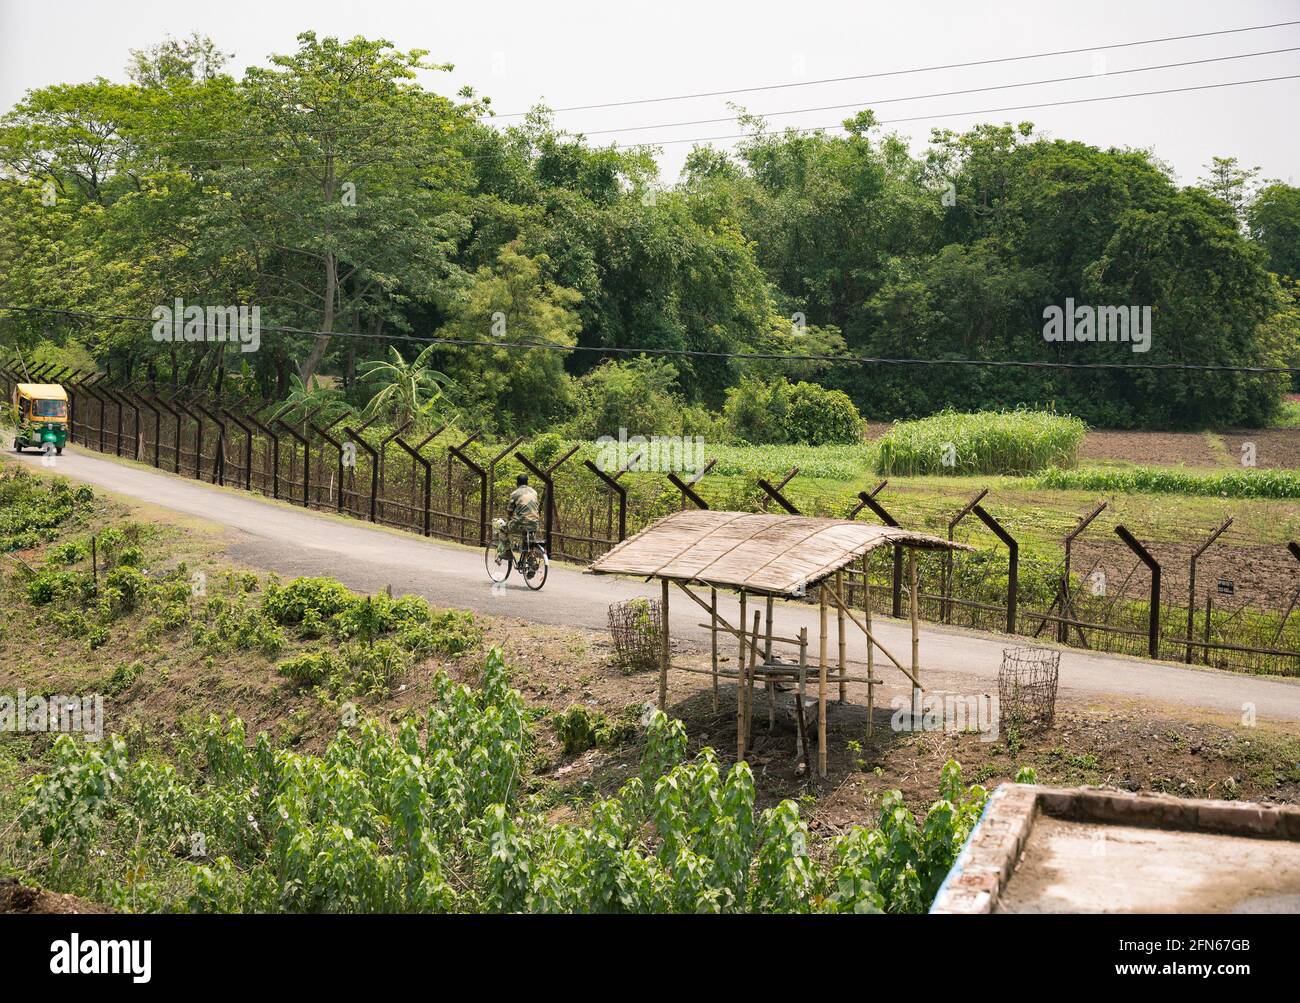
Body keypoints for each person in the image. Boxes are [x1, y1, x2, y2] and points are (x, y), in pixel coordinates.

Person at [499, 474, 541, 556]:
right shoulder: (534, 492)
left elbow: (510, 510)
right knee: (529, 540)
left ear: (517, 483)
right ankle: (530, 559)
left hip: (520, 523)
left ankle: (507, 552)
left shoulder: (515, 493)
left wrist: (509, 519)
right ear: (527, 482)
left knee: (502, 530)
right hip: (535, 524)